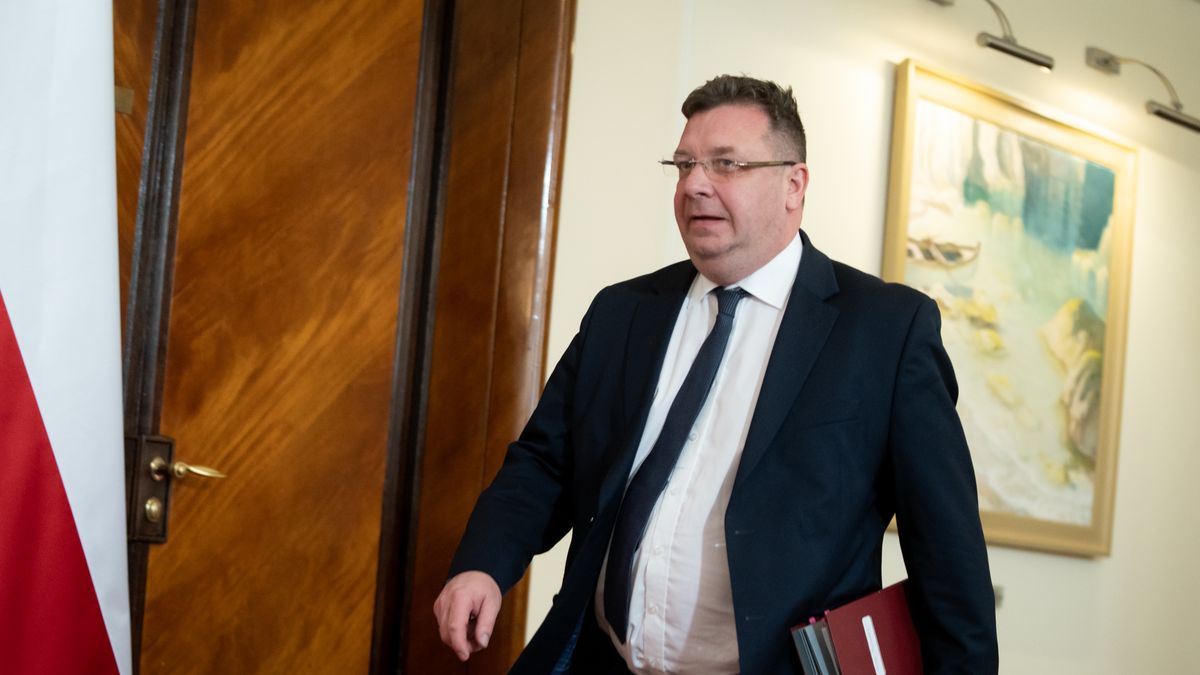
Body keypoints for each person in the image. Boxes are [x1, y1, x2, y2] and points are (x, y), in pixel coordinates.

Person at [434, 74, 998, 674]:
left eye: (725, 165)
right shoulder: (623, 313)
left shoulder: (885, 331)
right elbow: (547, 460)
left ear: (793, 184)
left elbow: (948, 557)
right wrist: (484, 562)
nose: (694, 185)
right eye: (683, 166)